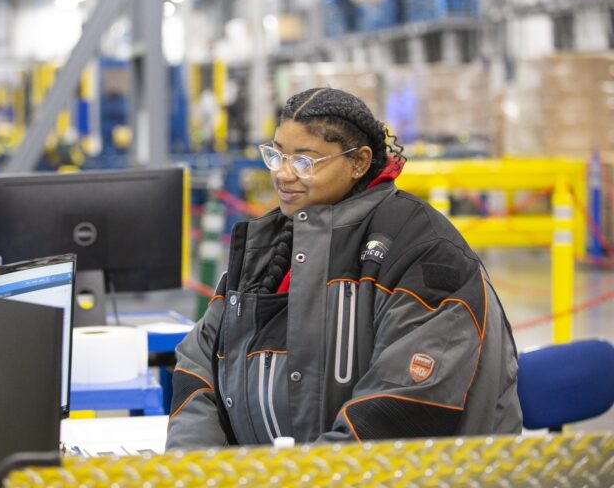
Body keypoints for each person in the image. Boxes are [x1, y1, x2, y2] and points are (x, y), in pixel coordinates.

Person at [166, 88, 522, 449]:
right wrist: (197, 467)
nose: (283, 175)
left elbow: (402, 411)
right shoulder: (270, 243)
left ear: (359, 162)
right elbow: (200, 359)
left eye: (305, 162)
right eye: (276, 155)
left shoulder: (424, 254)